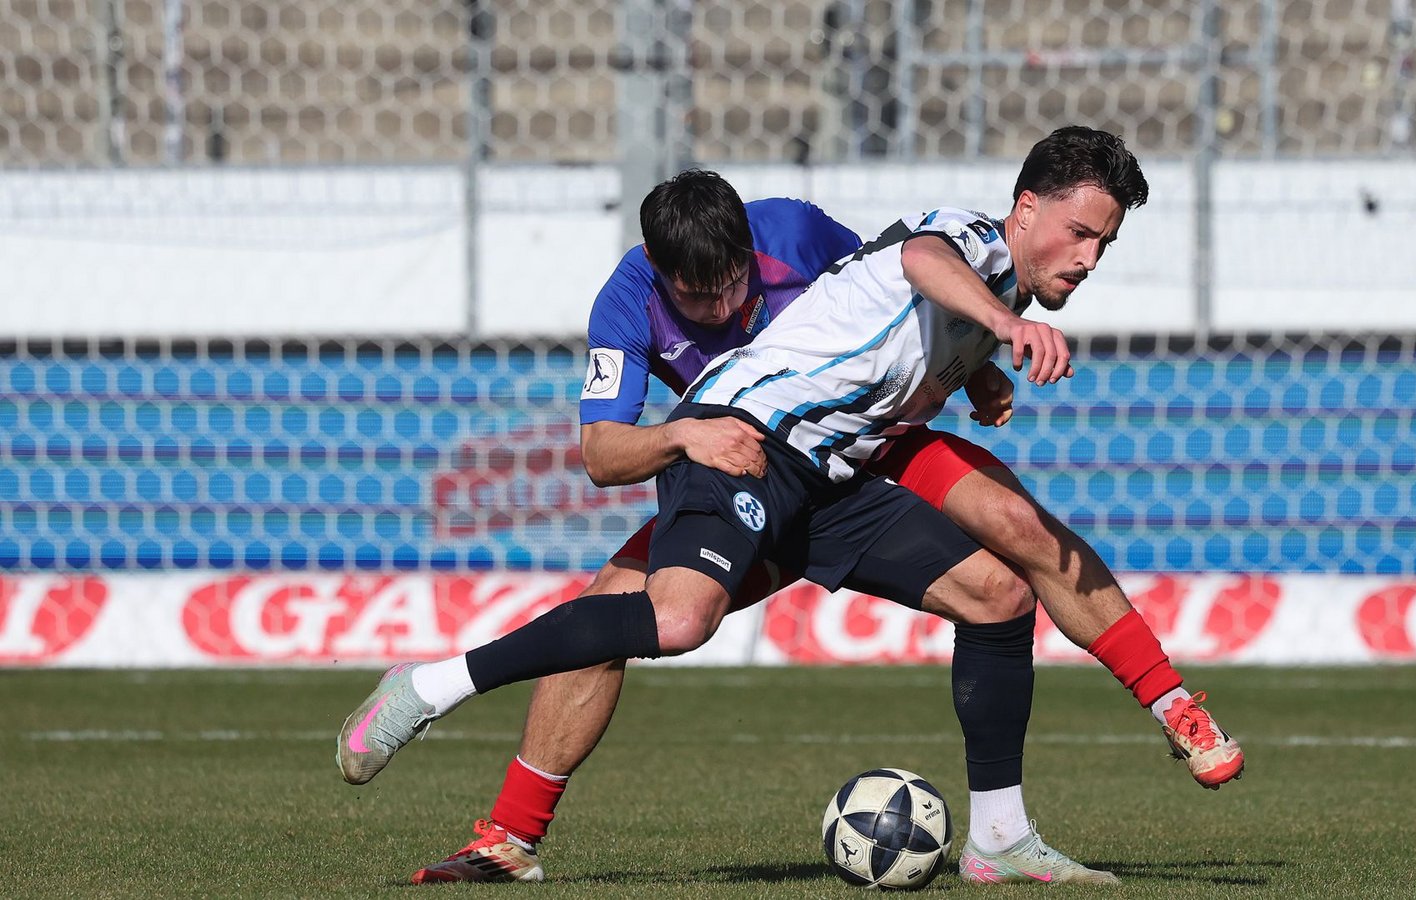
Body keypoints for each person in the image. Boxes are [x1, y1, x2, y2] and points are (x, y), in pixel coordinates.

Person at [339, 133, 1243, 886]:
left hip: (846, 457)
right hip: (741, 440)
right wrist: (1002, 333)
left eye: (1103, 244)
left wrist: (980, 363)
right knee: (661, 615)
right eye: (1081, 235)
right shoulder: (632, 300)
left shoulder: (802, 235)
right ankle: (437, 701)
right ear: (1028, 206)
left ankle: (1005, 834)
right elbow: (923, 258)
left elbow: (888, 296)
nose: (1088, 259)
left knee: (1004, 586)